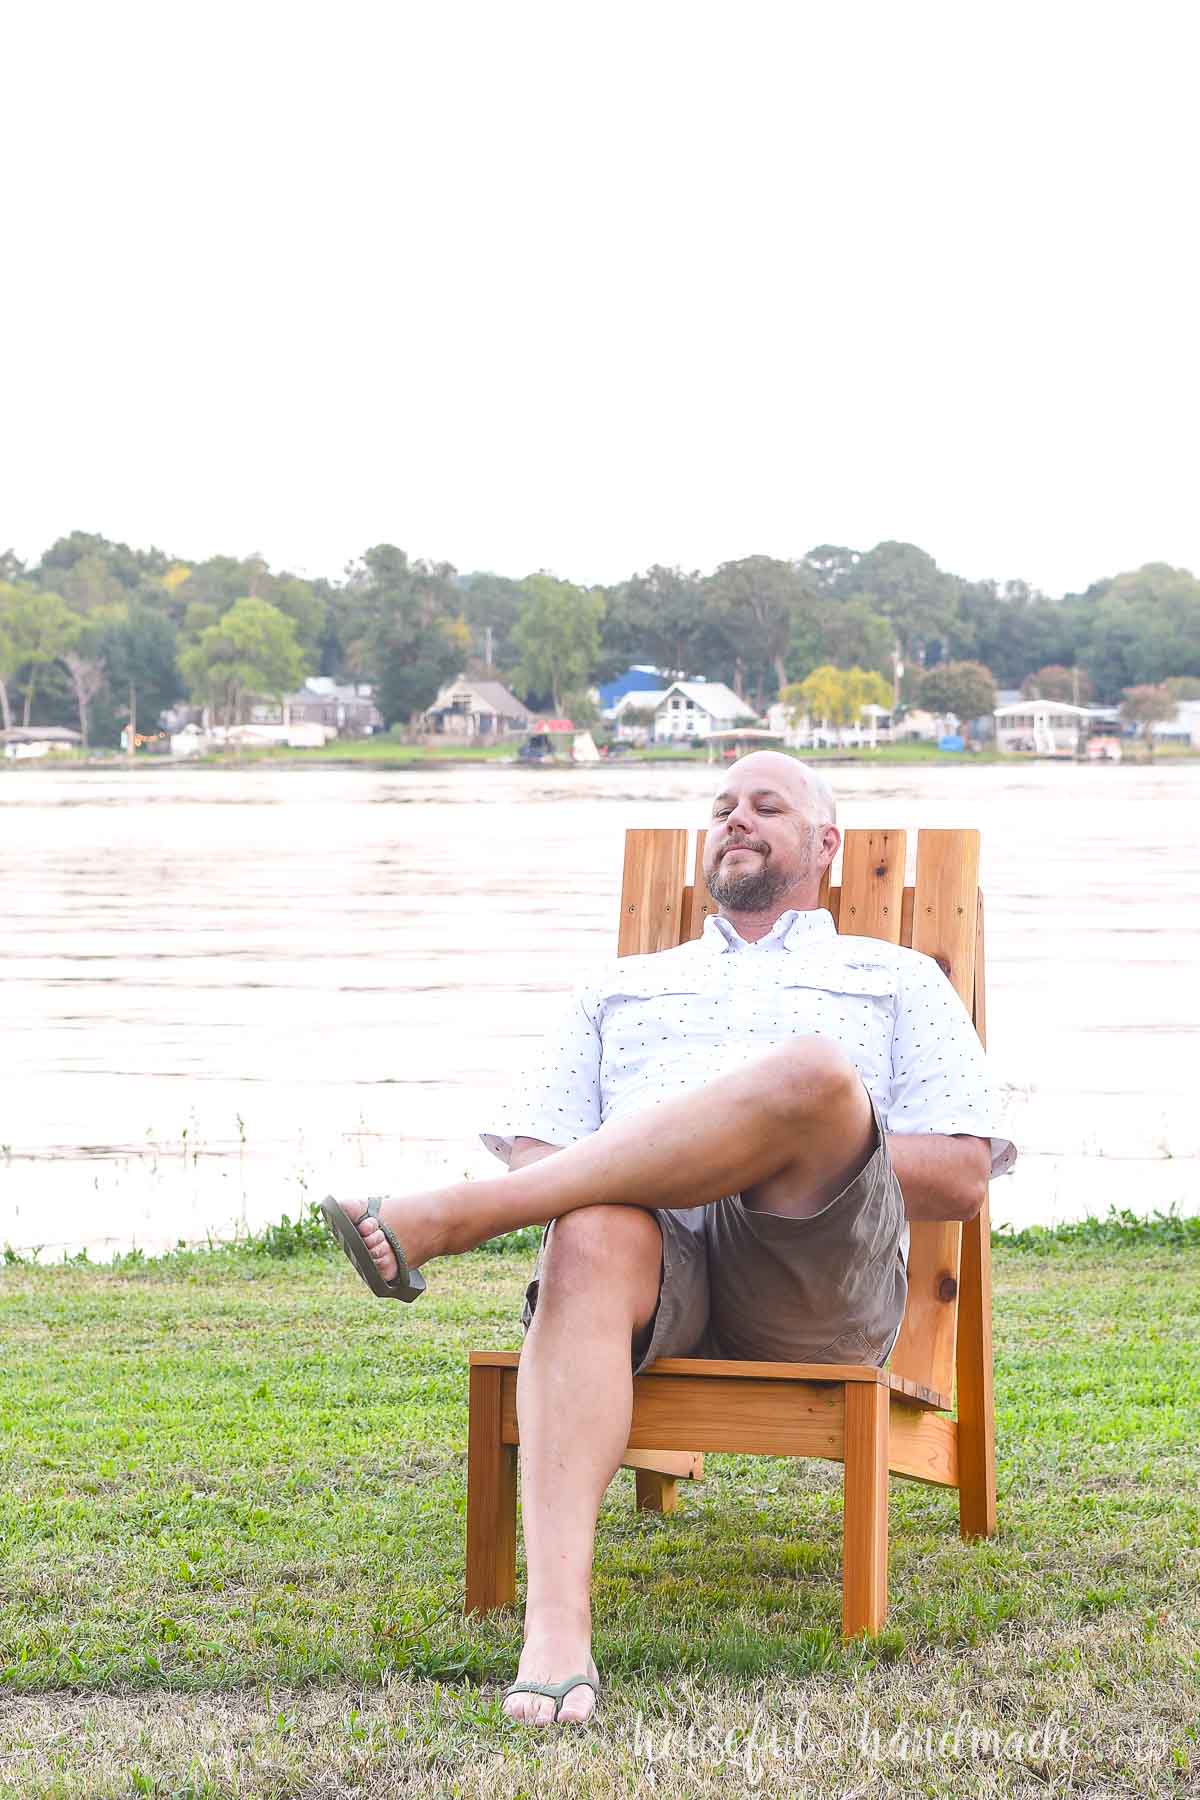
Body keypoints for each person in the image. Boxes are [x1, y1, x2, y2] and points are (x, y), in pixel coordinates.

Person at [323, 752, 1015, 1727]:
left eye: (767, 806)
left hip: (806, 1275)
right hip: (656, 1275)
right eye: (722, 807)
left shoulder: (893, 979)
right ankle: (556, 1630)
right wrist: (662, 1171)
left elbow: (961, 1176)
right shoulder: (621, 987)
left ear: (826, 845)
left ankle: (456, 1215)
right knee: (593, 1226)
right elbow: (542, 1151)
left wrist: (772, 1147)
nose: (737, 818)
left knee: (815, 1078)